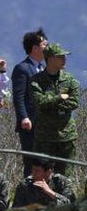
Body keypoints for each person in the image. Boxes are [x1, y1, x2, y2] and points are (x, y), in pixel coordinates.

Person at [30, 43, 80, 175]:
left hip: (66, 136)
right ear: (50, 59)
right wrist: (60, 97)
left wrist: (50, 101)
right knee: (42, 175)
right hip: (45, 137)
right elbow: (40, 103)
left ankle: (63, 197)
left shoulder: (70, 80)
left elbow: (74, 102)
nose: (65, 59)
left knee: (65, 178)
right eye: (61, 56)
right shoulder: (36, 81)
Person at [11, 29, 48, 175]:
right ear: (35, 48)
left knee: (46, 162)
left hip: (44, 123)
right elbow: (18, 96)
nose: (47, 47)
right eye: (45, 44)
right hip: (30, 123)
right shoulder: (22, 68)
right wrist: (24, 117)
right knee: (32, 162)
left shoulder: (43, 68)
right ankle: (28, 193)